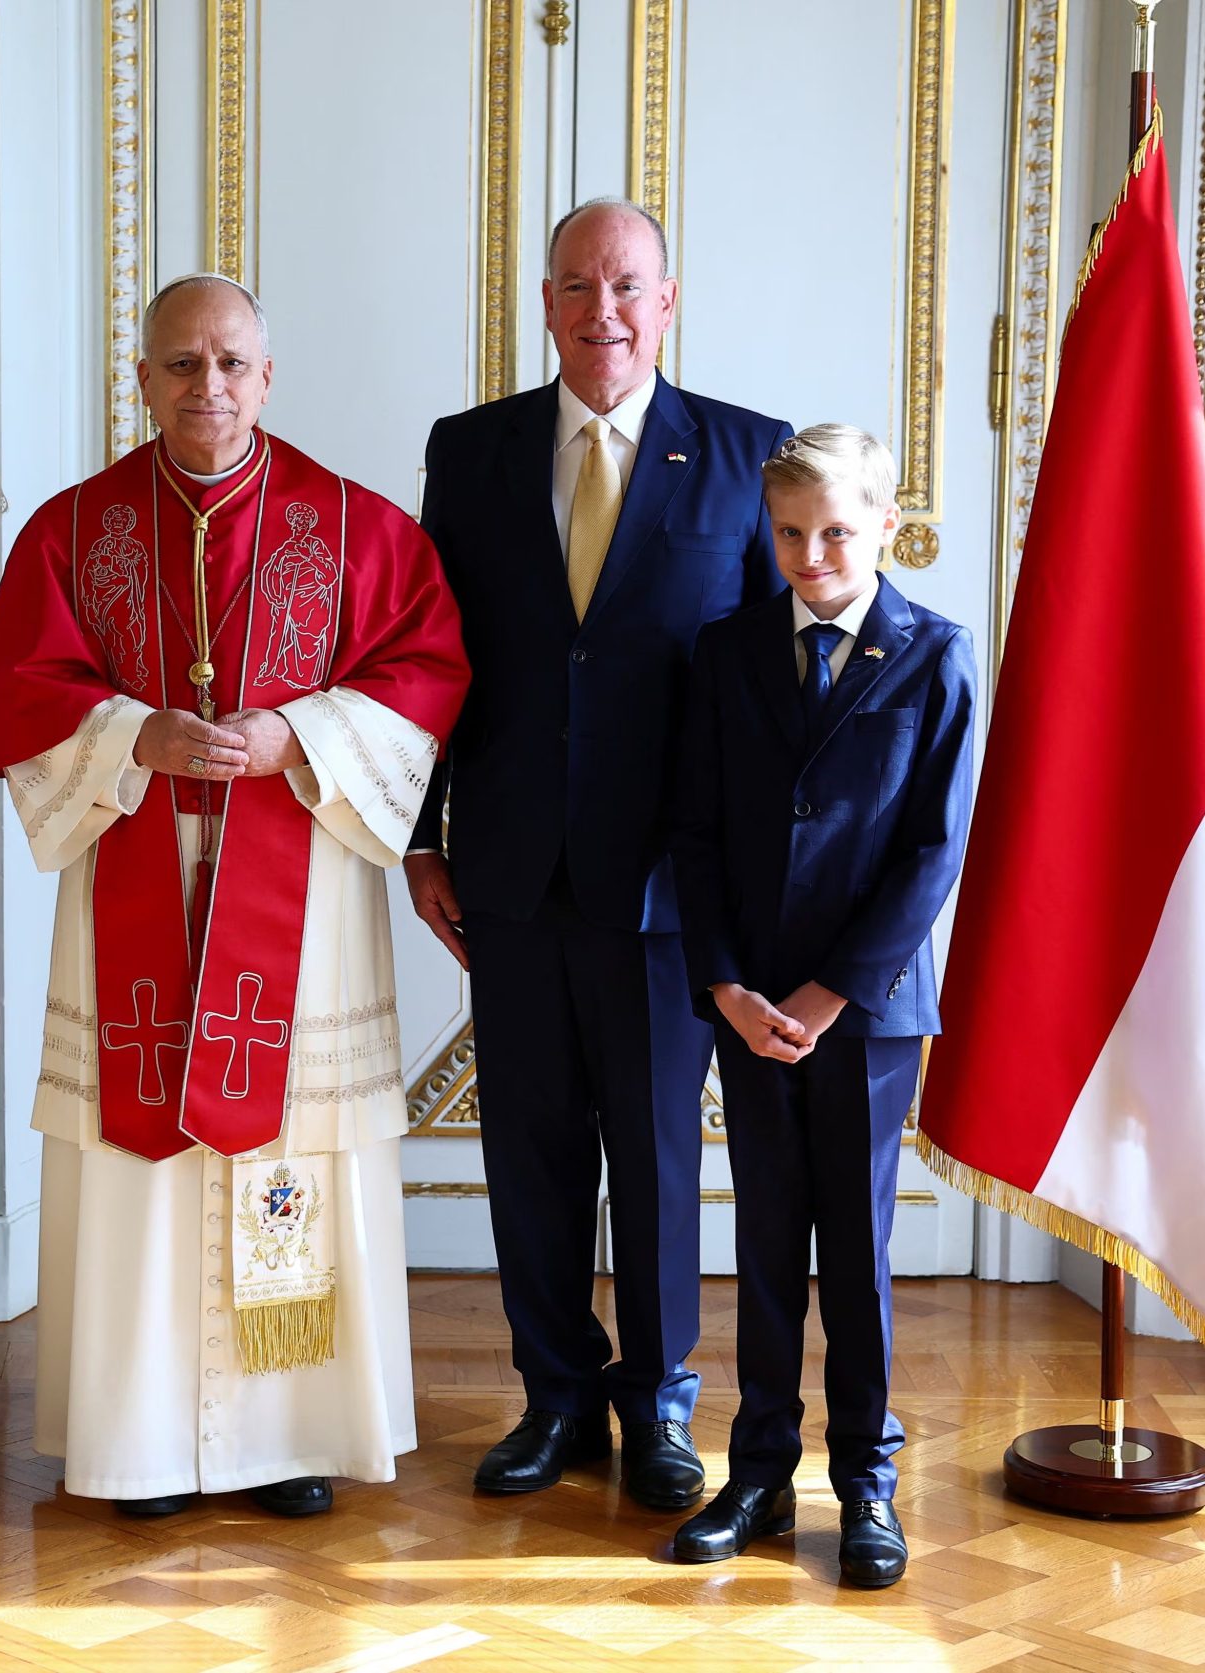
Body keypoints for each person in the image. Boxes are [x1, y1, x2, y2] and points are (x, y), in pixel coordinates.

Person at [0, 274, 468, 1519]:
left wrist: (297, 736)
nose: (210, 389)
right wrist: (133, 739)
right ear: (140, 379)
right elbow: (24, 685)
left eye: (232, 363)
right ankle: (136, 1435)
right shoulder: (72, 529)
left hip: (295, 888)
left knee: (283, 1153)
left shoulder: (354, 527)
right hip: (130, 863)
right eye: (182, 365)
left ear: (267, 374)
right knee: (142, 1162)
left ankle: (285, 1428)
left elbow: (425, 667)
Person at [408, 199, 792, 1505]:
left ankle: (662, 1406)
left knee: (658, 1159)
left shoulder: (745, 457)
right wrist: (419, 836)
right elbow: (428, 662)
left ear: (666, 301)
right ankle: (557, 1400)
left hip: (668, 887)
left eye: (626, 285)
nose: (602, 311)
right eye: (577, 287)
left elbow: (771, 690)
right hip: (508, 870)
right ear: (547, 303)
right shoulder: (472, 453)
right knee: (531, 1149)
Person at [668, 424, 976, 1586]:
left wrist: (827, 989)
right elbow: (693, 834)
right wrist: (728, 984)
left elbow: (928, 853)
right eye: (788, 532)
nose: (809, 555)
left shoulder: (934, 655)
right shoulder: (726, 650)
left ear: (883, 526)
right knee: (761, 1243)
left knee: (853, 1249)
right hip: (749, 1004)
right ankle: (754, 1473)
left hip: (865, 1009)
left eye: (834, 532)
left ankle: (864, 1481)